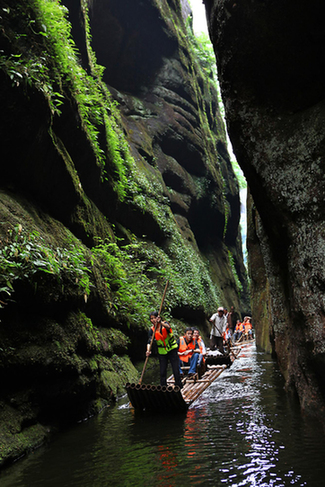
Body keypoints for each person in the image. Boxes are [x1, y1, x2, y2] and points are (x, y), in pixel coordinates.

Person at [146, 311, 182, 388]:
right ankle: (163, 387)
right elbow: (149, 342)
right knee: (162, 371)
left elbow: (168, 328)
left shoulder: (165, 324)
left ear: (158, 318)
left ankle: (179, 385)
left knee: (175, 369)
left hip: (172, 349)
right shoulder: (151, 330)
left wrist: (161, 322)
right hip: (162, 352)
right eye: (151, 319)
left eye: (154, 318)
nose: (153, 320)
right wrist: (148, 350)